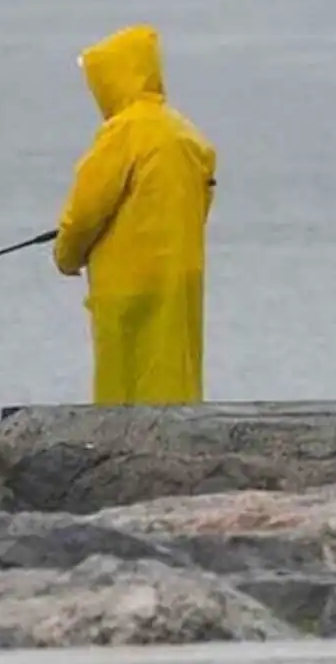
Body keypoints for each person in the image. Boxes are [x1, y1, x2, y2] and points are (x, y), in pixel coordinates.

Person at [53, 25, 217, 405]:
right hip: (180, 273)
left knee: (123, 378)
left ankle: (122, 453)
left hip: (125, 279)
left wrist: (67, 256)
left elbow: (86, 209)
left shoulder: (123, 134)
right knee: (173, 369)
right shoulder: (186, 135)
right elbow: (202, 200)